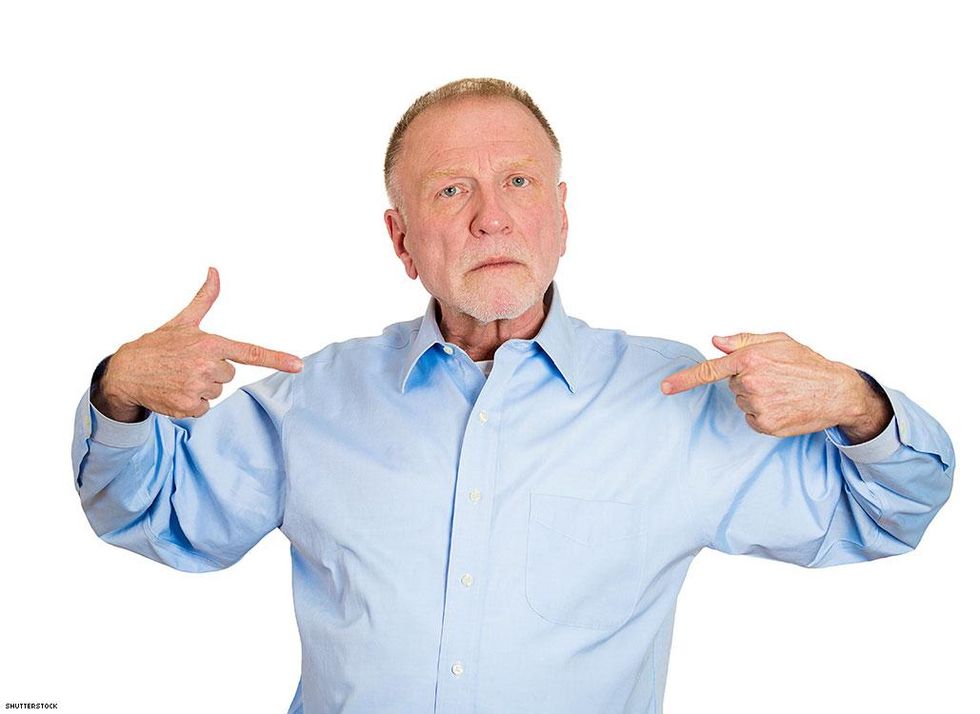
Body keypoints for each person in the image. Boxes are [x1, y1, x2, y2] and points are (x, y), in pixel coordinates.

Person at [71, 77, 955, 714]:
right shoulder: (312, 400)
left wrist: (858, 405)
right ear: (401, 238)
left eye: (519, 183)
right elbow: (152, 513)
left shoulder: (678, 399)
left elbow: (884, 514)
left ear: (561, 216)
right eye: (451, 190)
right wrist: (120, 396)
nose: (490, 217)